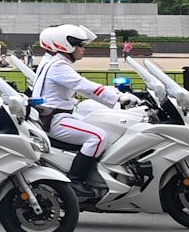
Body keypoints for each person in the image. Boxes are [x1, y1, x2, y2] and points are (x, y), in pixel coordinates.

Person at [29, 24, 126, 204]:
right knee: (98, 137)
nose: (83, 49)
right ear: (65, 46)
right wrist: (119, 99)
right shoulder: (58, 65)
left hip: (56, 114)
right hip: (55, 119)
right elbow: (83, 86)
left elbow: (84, 84)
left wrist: (116, 92)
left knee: (102, 125)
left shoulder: (53, 61)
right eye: (79, 45)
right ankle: (76, 180)